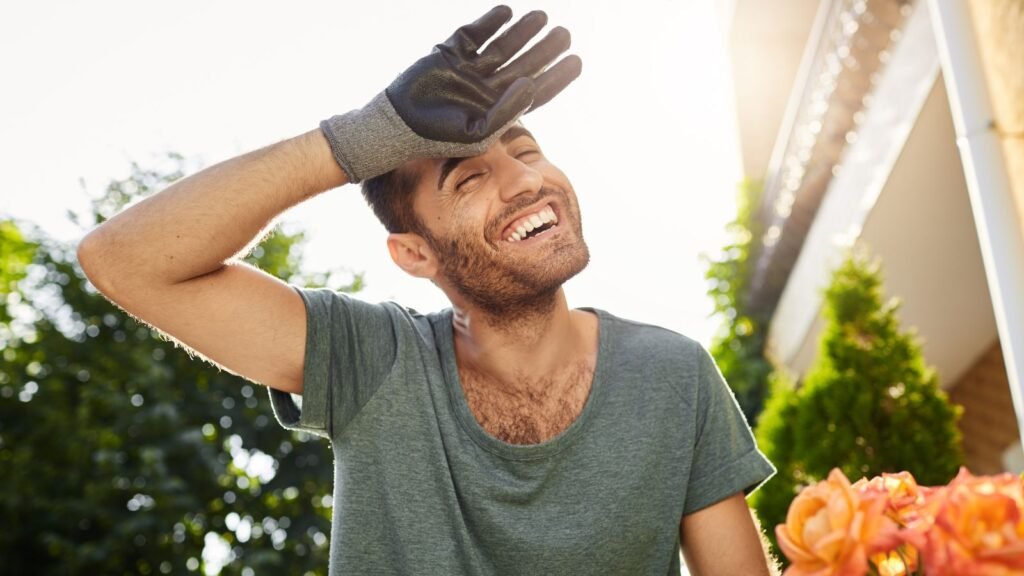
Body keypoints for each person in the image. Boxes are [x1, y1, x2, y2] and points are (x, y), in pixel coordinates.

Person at [77, 5, 777, 575]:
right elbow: (124, 260)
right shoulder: (373, 359)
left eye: (525, 150)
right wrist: (359, 140)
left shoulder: (674, 374)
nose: (524, 180)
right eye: (469, 179)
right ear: (413, 253)